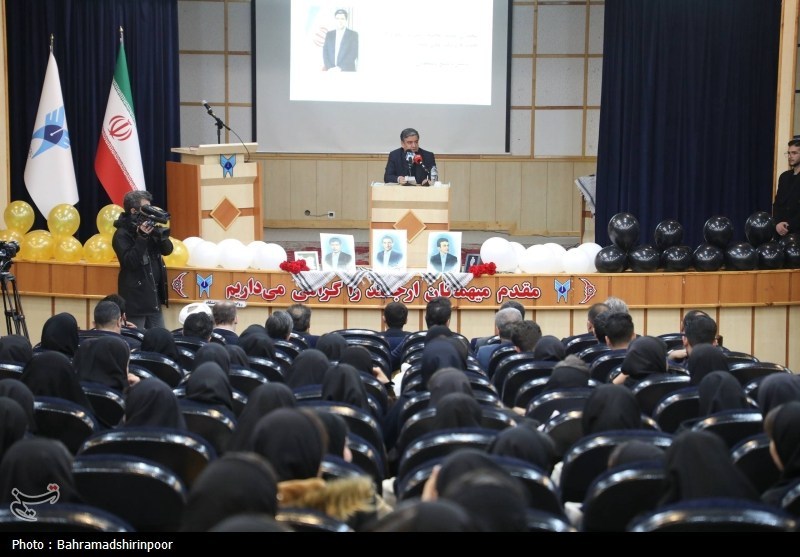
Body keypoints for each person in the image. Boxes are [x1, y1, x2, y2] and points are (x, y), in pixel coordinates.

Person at [111, 190, 173, 329]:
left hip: (154, 296)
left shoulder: (150, 227)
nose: (151, 212)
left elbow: (167, 250)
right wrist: (142, 238)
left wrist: (160, 235)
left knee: (159, 336)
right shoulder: (121, 234)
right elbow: (130, 262)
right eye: (147, 209)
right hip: (136, 300)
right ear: (134, 211)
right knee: (136, 336)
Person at [774, 139, 800, 237]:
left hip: (796, 231)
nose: (790, 156)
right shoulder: (784, 176)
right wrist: (777, 223)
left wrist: (789, 225)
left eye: (794, 153)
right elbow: (777, 203)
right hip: (780, 231)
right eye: (788, 153)